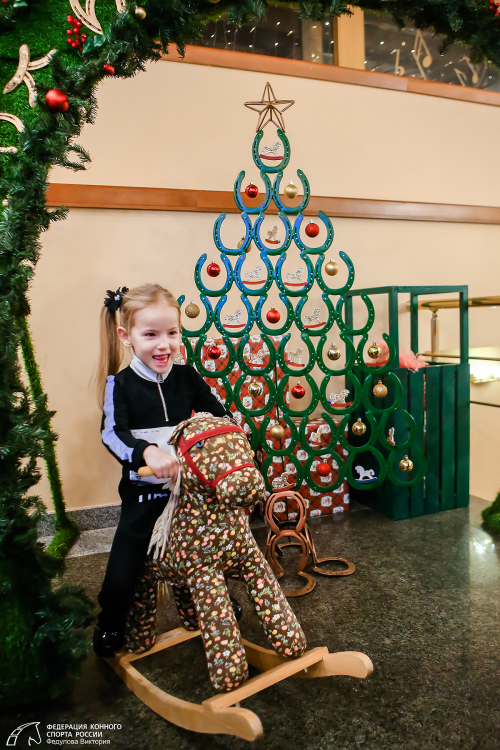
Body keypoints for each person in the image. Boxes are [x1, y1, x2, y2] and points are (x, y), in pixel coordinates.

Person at [93, 283, 241, 657]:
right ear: (126, 336)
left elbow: (219, 417)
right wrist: (146, 452)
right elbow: (112, 434)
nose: (164, 345)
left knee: (209, 548)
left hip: (188, 492)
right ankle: (111, 619)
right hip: (144, 496)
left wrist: (231, 438)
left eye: (172, 333)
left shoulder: (187, 377)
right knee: (126, 564)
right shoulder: (119, 385)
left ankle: (217, 602)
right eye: (151, 335)